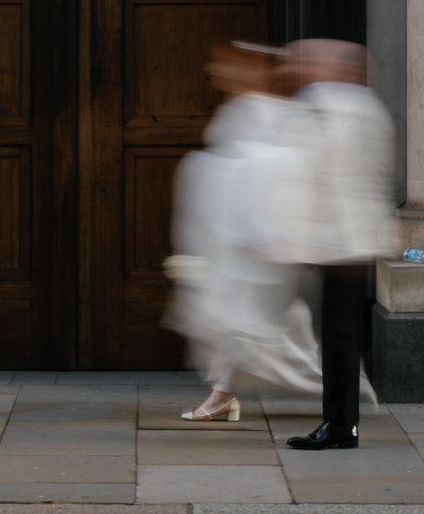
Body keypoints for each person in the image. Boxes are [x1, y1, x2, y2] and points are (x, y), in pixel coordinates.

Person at [164, 42, 323, 422]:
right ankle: (223, 393)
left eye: (233, 67)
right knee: (226, 318)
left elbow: (292, 169)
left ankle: (331, 384)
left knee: (247, 320)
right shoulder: (237, 109)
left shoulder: (279, 113)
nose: (222, 74)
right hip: (225, 234)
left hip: (256, 235)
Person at [273, 38, 397, 451]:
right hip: (358, 237)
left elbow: (308, 173)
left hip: (334, 239)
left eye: (305, 60)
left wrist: (300, 236)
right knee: (342, 333)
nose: (297, 66)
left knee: (338, 336)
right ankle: (342, 422)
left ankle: (341, 425)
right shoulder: (370, 106)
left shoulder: (320, 103)